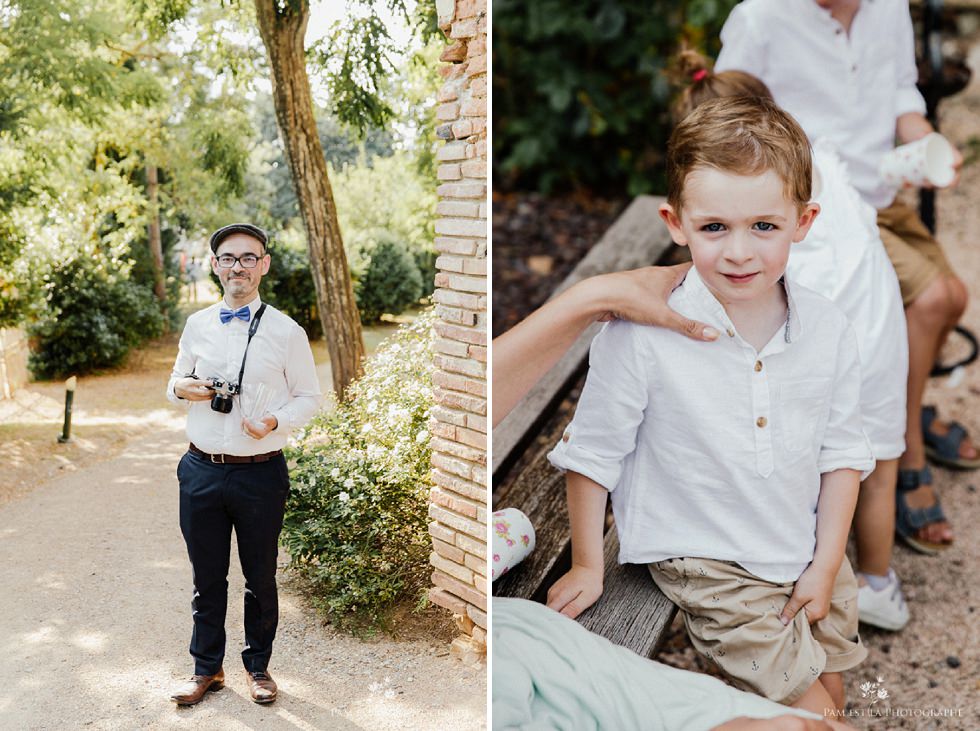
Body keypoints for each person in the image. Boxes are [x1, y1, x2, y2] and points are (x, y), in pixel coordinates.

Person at [546, 96, 873, 718]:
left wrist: (827, 562)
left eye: (764, 227)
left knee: (832, 695)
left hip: (804, 542)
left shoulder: (828, 329)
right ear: (677, 223)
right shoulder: (643, 335)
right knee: (817, 715)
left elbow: (842, 455)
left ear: (804, 221)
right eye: (714, 227)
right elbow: (593, 453)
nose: (739, 252)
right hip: (707, 559)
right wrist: (590, 563)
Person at [715, 0, 969, 556]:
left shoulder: (889, 8)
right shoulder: (759, 17)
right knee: (936, 299)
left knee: (949, 299)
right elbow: (727, 118)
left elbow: (903, 88)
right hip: (815, 209)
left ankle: (903, 413)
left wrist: (923, 139)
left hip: (880, 194)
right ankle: (908, 453)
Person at [672, 52, 910, 632]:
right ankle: (878, 581)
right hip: (884, 337)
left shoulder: (769, 248)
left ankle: (806, 572)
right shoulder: (820, 162)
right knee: (879, 469)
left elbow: (771, 305)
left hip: (837, 352)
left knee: (819, 462)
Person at [166, 223, 321, 706]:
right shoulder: (196, 325)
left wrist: (274, 420)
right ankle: (206, 669)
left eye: (249, 258)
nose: (239, 267)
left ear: (264, 265)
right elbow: (175, 380)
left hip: (260, 469)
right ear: (215, 265)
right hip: (201, 469)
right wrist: (183, 388)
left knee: (260, 576)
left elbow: (311, 397)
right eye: (229, 258)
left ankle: (258, 668)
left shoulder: (286, 330)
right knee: (206, 577)